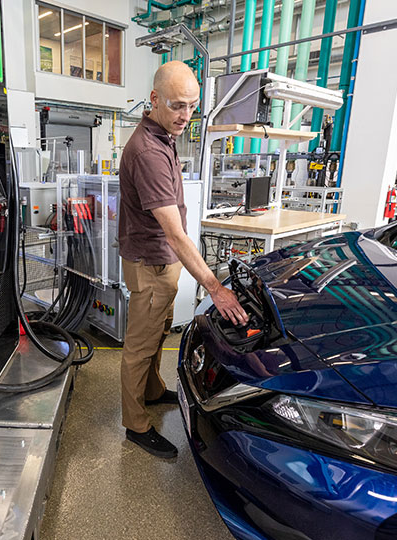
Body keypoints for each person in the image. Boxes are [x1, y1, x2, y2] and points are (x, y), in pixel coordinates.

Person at [118, 61, 248, 458]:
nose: (185, 116)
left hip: (161, 262)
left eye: (192, 106)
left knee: (157, 334)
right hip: (151, 264)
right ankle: (135, 425)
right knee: (140, 346)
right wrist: (216, 289)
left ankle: (153, 391)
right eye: (177, 106)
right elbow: (174, 233)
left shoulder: (163, 137)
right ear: (154, 99)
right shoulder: (148, 152)